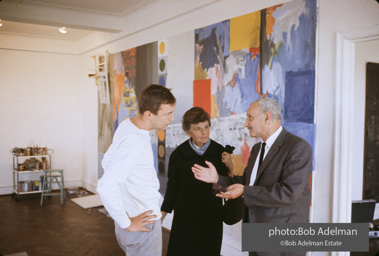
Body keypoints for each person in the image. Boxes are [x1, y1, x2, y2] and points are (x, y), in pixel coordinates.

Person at [192, 98, 312, 256]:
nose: (245, 124)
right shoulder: (256, 149)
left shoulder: (298, 147)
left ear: (267, 117)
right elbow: (247, 182)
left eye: (250, 117)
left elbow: (288, 193)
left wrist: (244, 192)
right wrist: (217, 179)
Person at [97, 84, 176, 256]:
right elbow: (106, 185)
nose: (172, 118)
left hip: (134, 217)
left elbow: (108, 161)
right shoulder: (136, 141)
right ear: (149, 114)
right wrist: (127, 222)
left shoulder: (128, 125)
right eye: (168, 114)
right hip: (142, 224)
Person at [161, 106, 233, 256]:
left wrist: (230, 167)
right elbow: (172, 187)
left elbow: (225, 187)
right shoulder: (178, 155)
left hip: (211, 215)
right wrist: (162, 214)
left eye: (206, 127)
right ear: (188, 132)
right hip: (185, 216)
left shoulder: (220, 152)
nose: (204, 132)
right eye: (198, 129)